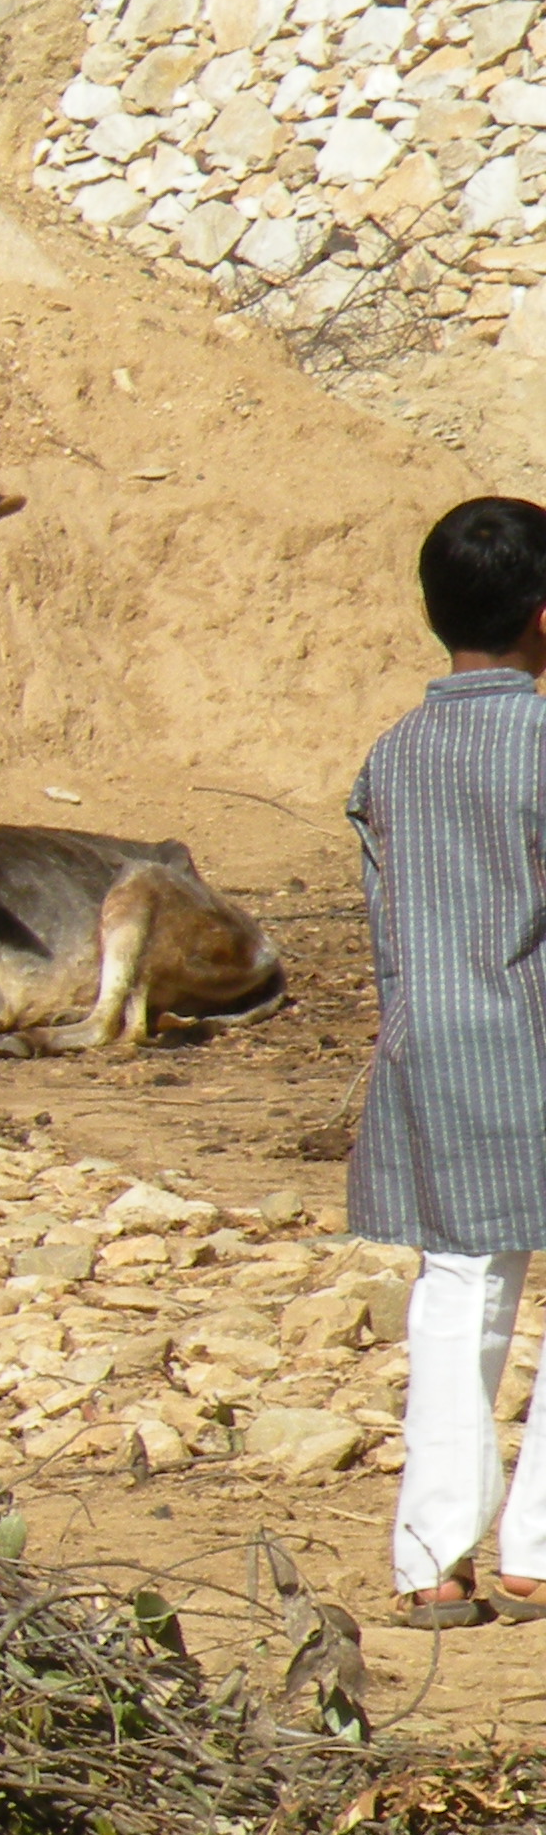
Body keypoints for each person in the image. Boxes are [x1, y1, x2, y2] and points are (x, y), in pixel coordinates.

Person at [348, 494, 546, 1628]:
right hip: (532, 1038)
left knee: (455, 1293)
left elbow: (392, 923)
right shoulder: (537, 740)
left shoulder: (395, 753)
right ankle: (532, 1551)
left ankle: (431, 1556)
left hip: (430, 1046)